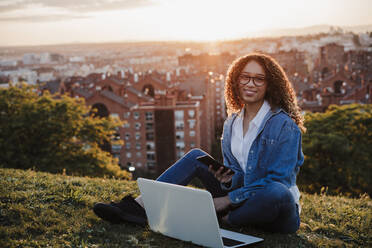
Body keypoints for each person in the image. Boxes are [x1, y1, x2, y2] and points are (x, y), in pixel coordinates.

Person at [93, 53, 306, 233]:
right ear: (236, 80)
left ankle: (225, 220)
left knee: (278, 191)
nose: (250, 84)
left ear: (270, 85)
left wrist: (227, 199)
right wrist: (228, 181)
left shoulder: (284, 126)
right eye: (245, 77)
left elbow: (279, 180)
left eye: (259, 79)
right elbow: (239, 175)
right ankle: (139, 207)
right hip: (239, 198)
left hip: (274, 208)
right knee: (196, 156)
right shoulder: (232, 122)